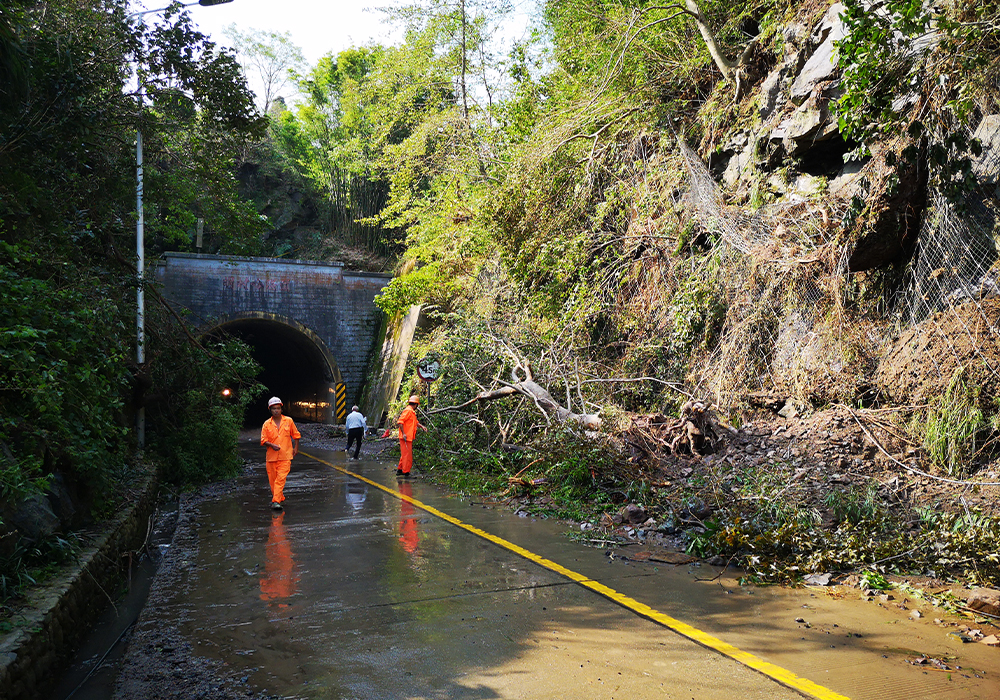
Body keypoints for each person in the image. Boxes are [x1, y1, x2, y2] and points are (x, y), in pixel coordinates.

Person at [260, 396, 300, 511]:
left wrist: (296, 448)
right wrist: (271, 445)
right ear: (270, 410)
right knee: (273, 482)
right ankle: (279, 497)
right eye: (274, 409)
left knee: (280, 479)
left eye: (278, 408)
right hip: (271, 458)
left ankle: (276, 501)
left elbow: (296, 435)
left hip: (285, 456)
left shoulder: (288, 421)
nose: (276, 410)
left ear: (281, 409)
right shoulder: (267, 424)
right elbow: (263, 440)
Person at [395, 395, 426, 477]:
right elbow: (400, 422)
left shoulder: (411, 412)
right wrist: (404, 433)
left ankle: (400, 469)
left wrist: (422, 426)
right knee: (407, 455)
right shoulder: (408, 411)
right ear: (416, 404)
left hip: (408, 437)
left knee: (405, 454)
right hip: (406, 437)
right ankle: (406, 472)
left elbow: (415, 422)